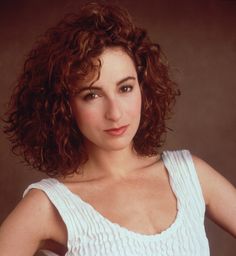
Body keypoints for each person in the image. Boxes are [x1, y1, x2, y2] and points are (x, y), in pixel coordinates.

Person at [0, 2, 235, 256]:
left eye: (125, 88)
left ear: (144, 88)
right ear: (62, 106)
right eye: (92, 95)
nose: (115, 113)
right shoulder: (49, 205)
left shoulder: (191, 175)